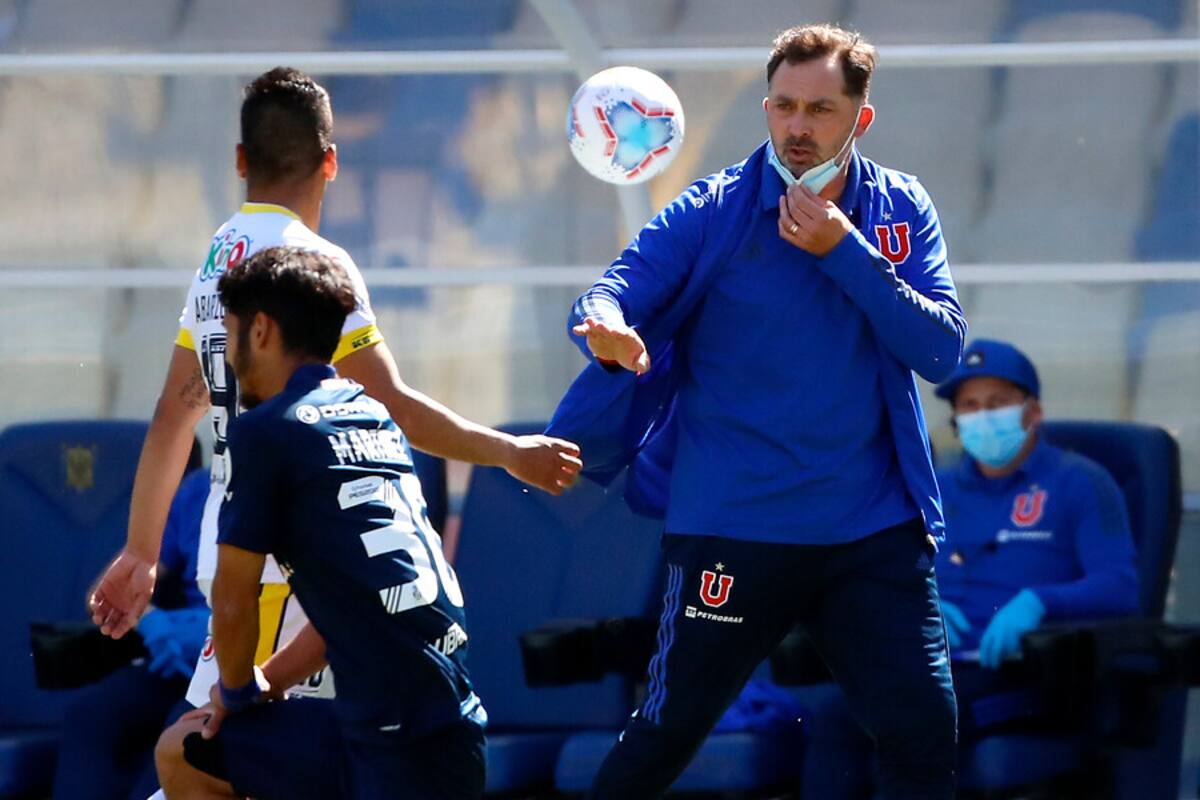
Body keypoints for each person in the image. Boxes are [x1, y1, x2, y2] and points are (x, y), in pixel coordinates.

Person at [549, 23, 967, 800]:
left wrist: (844, 250)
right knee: (665, 736)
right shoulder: (713, 207)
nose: (798, 126)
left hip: (871, 531)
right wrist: (604, 324)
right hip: (734, 528)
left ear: (861, 117)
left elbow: (941, 352)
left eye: (821, 109)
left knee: (923, 734)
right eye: (783, 106)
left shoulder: (900, 205)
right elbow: (615, 289)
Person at [86, 65, 580, 708]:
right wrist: (511, 452)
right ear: (331, 162)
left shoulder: (219, 256)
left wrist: (141, 550)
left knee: (203, 748)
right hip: (290, 562)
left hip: (232, 551)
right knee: (232, 746)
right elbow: (392, 407)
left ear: (241, 160)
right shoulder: (309, 267)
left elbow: (174, 415)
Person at [157, 246, 485, 799]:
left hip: (389, 747)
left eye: (231, 333)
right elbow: (359, 604)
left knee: (182, 750)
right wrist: (268, 682)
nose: (229, 357)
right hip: (457, 731)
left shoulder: (266, 432)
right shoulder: (374, 417)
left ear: (260, 329)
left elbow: (233, 603)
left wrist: (235, 694)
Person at [798, 338, 1139, 799]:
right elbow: (882, 575)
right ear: (956, 420)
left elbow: (1121, 587)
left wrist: (1038, 603)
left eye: (998, 403)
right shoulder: (933, 489)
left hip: (1024, 673)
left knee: (912, 723)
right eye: (971, 406)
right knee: (836, 716)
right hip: (929, 667)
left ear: (1033, 412)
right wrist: (918, 606)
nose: (984, 417)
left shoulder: (1080, 483)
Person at [53, 459, 209, 800]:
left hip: (247, 662)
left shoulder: (292, 486)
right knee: (88, 716)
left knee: (183, 732)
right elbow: (105, 592)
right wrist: (152, 621)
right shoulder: (198, 489)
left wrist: (207, 632)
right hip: (179, 661)